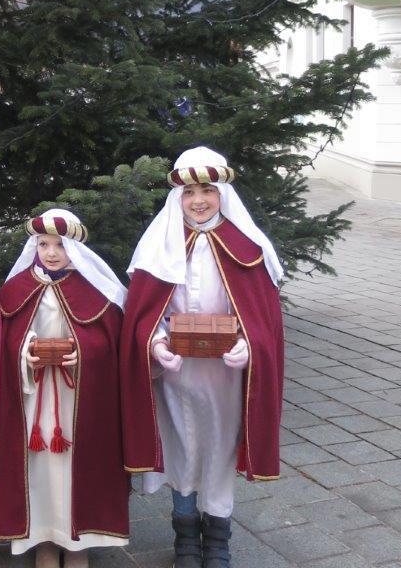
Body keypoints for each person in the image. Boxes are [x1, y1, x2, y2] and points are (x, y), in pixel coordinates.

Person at [119, 147, 284, 568]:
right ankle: (186, 537)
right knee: (181, 450)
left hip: (225, 379)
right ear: (177, 197)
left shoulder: (247, 248)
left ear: (222, 194)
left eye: (207, 190)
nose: (198, 200)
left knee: (220, 451)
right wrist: (156, 344)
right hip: (175, 376)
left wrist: (249, 344)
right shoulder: (158, 247)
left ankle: (218, 539)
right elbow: (142, 314)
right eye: (189, 192)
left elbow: (263, 320)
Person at [0, 210, 130, 568]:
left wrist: (85, 353)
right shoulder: (16, 290)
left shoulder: (97, 292)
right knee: (39, 470)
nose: (50, 253)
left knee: (75, 468)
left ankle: (78, 543)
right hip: (31, 399)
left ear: (74, 249)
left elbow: (111, 343)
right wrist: (25, 353)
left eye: (60, 245)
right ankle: (43, 539)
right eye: (43, 244)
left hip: (77, 398)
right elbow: (3, 343)